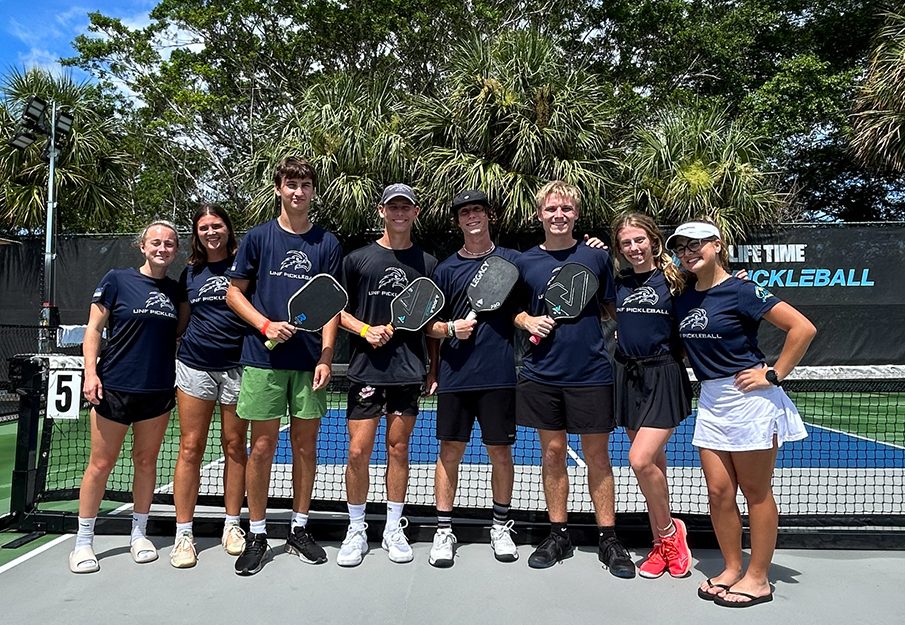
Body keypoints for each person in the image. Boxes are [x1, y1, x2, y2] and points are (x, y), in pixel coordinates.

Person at [667, 219, 816, 607]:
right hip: (711, 401)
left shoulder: (743, 290)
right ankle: (733, 568)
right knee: (718, 492)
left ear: (717, 245)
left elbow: (802, 328)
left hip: (749, 400)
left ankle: (759, 578)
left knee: (755, 491)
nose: (687, 252)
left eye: (695, 244)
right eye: (681, 247)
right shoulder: (683, 296)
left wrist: (774, 374)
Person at [226, 156, 343, 576]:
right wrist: (265, 323)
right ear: (279, 188)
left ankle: (298, 529)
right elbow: (233, 294)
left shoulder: (327, 243)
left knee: (305, 448)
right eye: (291, 184)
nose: (298, 191)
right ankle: (257, 533)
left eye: (305, 185)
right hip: (263, 360)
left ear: (313, 191)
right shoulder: (258, 238)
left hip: (309, 364)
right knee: (261, 447)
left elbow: (331, 306)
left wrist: (327, 356)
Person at [513, 181, 635, 578]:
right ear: (539, 215)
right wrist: (526, 319)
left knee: (598, 457)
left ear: (576, 214)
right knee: (552, 455)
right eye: (551, 210)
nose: (559, 215)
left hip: (591, 374)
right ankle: (558, 534)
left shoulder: (597, 258)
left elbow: (616, 308)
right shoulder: (525, 261)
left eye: (566, 209)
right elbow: (513, 310)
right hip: (540, 374)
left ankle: (609, 539)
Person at [69, 220, 181, 574]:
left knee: (146, 463)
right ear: (143, 247)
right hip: (113, 387)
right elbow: (94, 328)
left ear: (176, 250)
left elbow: (180, 333)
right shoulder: (116, 279)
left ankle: (139, 533)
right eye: (156, 243)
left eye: (169, 244)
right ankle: (83, 542)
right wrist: (91, 372)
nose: (162, 248)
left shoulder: (178, 293)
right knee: (100, 465)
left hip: (158, 391)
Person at [337, 183, 438, 566]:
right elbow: (337, 310)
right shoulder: (358, 259)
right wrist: (365, 330)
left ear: (415, 213)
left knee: (399, 450)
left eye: (406, 207)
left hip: (408, 372)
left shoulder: (428, 264)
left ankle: (393, 529)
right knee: (357, 451)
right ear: (382, 211)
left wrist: (433, 367)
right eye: (393, 206)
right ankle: (356, 529)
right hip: (366, 370)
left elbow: (430, 321)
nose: (399, 213)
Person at [424, 190, 520, 567]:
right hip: (456, 376)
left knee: (500, 452)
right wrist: (450, 329)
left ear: (488, 215)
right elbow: (427, 326)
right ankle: (444, 530)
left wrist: (591, 245)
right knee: (450, 453)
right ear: (458, 221)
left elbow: (545, 277)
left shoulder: (511, 261)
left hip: (498, 377)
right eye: (465, 212)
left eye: (478, 209)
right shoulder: (445, 269)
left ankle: (500, 526)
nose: (472, 217)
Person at [610, 212, 693, 579]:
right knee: (653, 467)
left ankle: (671, 533)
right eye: (626, 242)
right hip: (627, 376)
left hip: (663, 375)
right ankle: (663, 545)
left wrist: (735, 277)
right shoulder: (619, 282)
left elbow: (713, 292)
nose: (633, 248)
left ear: (654, 240)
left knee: (640, 460)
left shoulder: (676, 281)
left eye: (639, 240)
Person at [169, 204, 248, 568]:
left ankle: (232, 526)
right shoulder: (189, 273)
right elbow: (183, 322)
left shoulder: (247, 266)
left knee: (235, 447)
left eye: (217, 225)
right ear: (196, 234)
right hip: (194, 368)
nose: (211, 232)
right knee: (190, 447)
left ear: (229, 229)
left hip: (238, 369)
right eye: (204, 227)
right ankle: (183, 534)